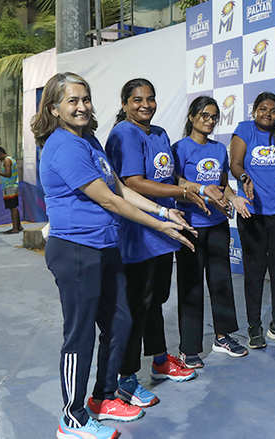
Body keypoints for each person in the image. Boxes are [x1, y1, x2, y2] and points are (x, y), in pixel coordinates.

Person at [34, 72, 196, 439]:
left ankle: (104, 397)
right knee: (79, 336)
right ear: (55, 108)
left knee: (120, 321)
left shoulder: (88, 140)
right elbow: (108, 200)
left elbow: (118, 187)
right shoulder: (63, 146)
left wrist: (162, 211)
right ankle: (72, 418)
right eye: (72, 101)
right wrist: (159, 226)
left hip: (105, 247)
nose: (81, 106)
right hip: (76, 250)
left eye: (85, 99)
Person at [103, 78, 206, 405]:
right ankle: (126, 377)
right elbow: (133, 183)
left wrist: (194, 187)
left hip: (164, 230)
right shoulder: (123, 134)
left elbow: (168, 176)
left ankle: (160, 360)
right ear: (124, 104)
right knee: (137, 305)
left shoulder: (159, 133)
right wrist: (183, 191)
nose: (145, 105)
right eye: (137, 100)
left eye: (150, 98)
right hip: (138, 232)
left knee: (156, 300)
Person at [173, 95, 250, 365]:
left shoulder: (218, 149)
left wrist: (234, 198)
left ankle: (223, 337)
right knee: (191, 286)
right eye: (205, 115)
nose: (210, 121)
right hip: (190, 225)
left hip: (217, 225)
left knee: (221, 282)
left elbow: (223, 185)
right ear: (192, 117)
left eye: (214, 117)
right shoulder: (180, 148)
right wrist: (201, 191)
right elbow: (176, 182)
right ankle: (188, 348)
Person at [228, 92, 275, 349]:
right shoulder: (244, 130)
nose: (267, 114)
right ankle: (254, 326)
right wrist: (244, 178)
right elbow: (235, 163)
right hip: (252, 212)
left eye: (273, 110)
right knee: (254, 270)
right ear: (254, 111)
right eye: (262, 109)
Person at [0, 146, 23, 234]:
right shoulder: (11, 159)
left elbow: (8, 174)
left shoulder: (7, 160)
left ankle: (15, 228)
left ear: (1, 154)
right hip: (13, 185)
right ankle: (18, 225)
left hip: (10, 186)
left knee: (12, 207)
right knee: (14, 206)